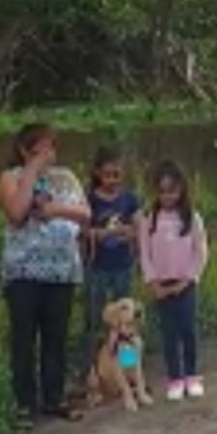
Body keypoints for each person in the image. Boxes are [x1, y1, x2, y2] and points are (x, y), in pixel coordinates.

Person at [0, 123, 92, 426]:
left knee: (56, 337)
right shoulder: (10, 178)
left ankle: (54, 397)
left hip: (61, 270)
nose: (47, 155)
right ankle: (24, 403)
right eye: (39, 149)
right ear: (24, 150)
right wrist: (31, 172)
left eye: (50, 148)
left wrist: (55, 211)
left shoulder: (66, 178)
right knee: (24, 339)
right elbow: (16, 212)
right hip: (23, 271)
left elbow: (86, 215)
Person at [137, 160, 209, 402]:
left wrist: (188, 279)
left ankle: (192, 375)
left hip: (185, 284)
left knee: (188, 330)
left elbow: (200, 252)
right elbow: (144, 253)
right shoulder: (149, 218)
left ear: (182, 190)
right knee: (169, 333)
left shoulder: (192, 218)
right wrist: (153, 283)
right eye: (163, 191)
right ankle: (175, 378)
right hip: (162, 285)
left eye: (173, 191)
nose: (168, 197)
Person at [77, 146, 140, 380]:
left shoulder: (129, 198)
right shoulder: (89, 199)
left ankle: (129, 369)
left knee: (126, 323)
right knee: (94, 322)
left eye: (117, 175)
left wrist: (129, 231)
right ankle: (91, 371)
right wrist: (97, 234)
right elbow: (82, 230)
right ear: (97, 174)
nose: (113, 180)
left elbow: (138, 226)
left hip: (122, 265)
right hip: (98, 268)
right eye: (108, 175)